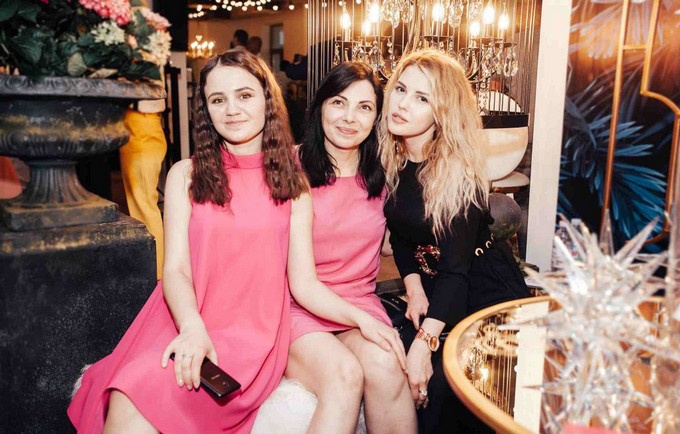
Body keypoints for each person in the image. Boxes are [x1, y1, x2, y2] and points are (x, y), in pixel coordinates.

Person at [67, 49, 307, 433]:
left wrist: (364, 320)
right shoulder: (185, 174)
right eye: (218, 100)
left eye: (244, 95)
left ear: (267, 99)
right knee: (129, 393)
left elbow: (304, 282)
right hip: (181, 317)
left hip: (249, 337)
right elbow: (175, 268)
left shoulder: (293, 183)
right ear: (206, 110)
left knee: (138, 396)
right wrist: (192, 326)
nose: (231, 110)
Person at [380, 50, 531, 434]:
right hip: (439, 291)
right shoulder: (394, 160)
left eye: (422, 98)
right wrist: (414, 288)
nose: (402, 104)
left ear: (442, 112)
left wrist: (423, 344)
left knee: (455, 399)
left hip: (485, 295)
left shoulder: (458, 174)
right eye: (401, 89)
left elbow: (456, 271)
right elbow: (402, 238)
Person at [286, 62, 417, 434]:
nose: (349, 118)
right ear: (320, 107)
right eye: (339, 103)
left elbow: (397, 244)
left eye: (364, 107)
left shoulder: (385, 175)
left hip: (358, 301)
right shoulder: (288, 167)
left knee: (387, 365)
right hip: (296, 305)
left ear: (377, 118)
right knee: (344, 374)